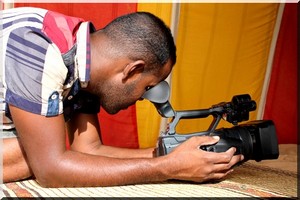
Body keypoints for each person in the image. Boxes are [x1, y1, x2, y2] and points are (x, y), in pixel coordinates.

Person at [1, 7, 244, 187]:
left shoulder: (89, 62)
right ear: (132, 70)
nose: (142, 99)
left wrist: (173, 154)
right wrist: (165, 168)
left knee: (42, 151)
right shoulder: (39, 45)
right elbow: (50, 171)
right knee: (30, 156)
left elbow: (89, 150)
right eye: (148, 87)